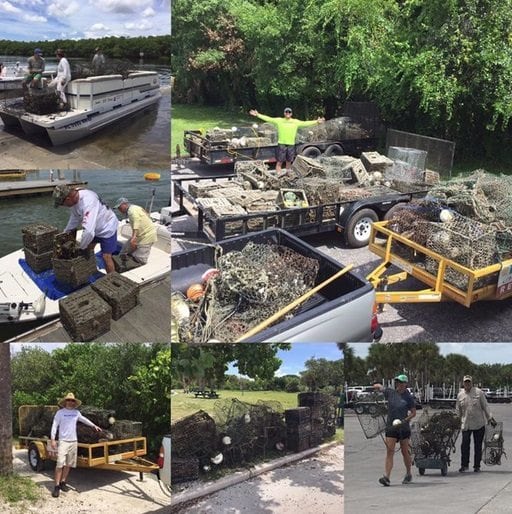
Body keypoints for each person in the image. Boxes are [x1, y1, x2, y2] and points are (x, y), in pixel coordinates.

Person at [53, 185, 119, 273]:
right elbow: (75, 218)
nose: (63, 206)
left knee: (106, 256)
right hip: (95, 227)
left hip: (107, 227)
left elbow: (88, 232)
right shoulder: (73, 198)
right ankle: (90, 268)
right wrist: (66, 232)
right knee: (88, 249)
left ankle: (112, 279)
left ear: (68, 199)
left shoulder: (88, 201)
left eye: (62, 204)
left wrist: (81, 249)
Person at [50, 392, 101, 498]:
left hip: (73, 441)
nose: (70, 402)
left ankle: (63, 482)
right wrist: (53, 439)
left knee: (69, 464)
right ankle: (56, 486)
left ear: (74, 403)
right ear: (65, 402)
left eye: (72, 400)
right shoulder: (60, 413)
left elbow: (84, 420)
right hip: (63, 441)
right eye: (68, 400)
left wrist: (94, 426)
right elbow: (54, 425)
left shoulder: (76, 413)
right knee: (60, 464)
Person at [373, 374, 417, 486]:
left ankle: (408, 473)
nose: (399, 384)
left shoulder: (409, 397)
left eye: (402, 382)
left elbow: (413, 413)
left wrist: (404, 420)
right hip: (391, 427)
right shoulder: (391, 393)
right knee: (389, 451)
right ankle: (387, 477)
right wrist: (376, 386)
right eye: (398, 382)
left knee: (404, 452)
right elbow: (381, 388)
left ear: (406, 384)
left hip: (403, 428)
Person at [249, 107, 325, 172]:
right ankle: (278, 176)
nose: (288, 113)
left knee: (289, 161)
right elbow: (269, 119)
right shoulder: (279, 120)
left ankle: (288, 175)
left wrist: (316, 122)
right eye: (286, 112)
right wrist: (258, 115)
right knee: (279, 162)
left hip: (291, 144)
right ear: (284, 113)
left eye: (289, 112)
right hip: (282, 144)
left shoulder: (295, 122)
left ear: (291, 114)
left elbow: (305, 123)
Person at [456, 375, 497, 472]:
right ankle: (464, 465)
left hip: (479, 424)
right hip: (466, 424)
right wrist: (456, 422)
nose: (467, 384)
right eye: (465, 382)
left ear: (471, 382)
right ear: (463, 383)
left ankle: (477, 466)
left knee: (478, 446)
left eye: (469, 382)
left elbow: (485, 406)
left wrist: (490, 417)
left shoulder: (479, 393)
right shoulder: (460, 395)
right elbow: (458, 410)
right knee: (464, 445)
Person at [114, 197, 157, 264]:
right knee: (125, 249)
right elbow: (146, 214)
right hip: (139, 235)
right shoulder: (136, 207)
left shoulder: (131, 211)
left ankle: (138, 266)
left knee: (140, 258)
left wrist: (133, 237)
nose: (119, 210)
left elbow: (136, 221)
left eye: (120, 208)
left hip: (147, 236)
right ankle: (122, 261)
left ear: (124, 204)